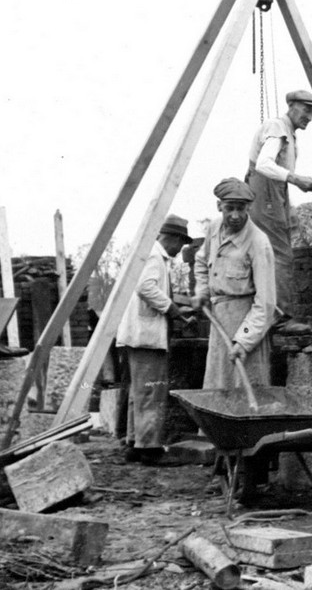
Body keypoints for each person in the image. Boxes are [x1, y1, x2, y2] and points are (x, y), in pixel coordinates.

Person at [115, 214, 194, 465]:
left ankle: (134, 443)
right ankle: (150, 449)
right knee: (152, 392)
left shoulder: (148, 254)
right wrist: (172, 309)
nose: (180, 250)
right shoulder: (154, 257)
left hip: (138, 334)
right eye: (181, 243)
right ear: (173, 238)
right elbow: (146, 288)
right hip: (145, 337)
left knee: (139, 393)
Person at [246, 89, 312, 335]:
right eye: (306, 109)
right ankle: (281, 319)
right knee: (280, 255)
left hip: (275, 190)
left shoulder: (288, 133)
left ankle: (268, 313)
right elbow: (264, 164)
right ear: (291, 106)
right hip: (265, 189)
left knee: (272, 252)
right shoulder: (277, 127)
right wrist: (296, 179)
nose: (309, 117)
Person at [192, 177, 277, 388]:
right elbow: (201, 261)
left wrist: (244, 341)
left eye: (241, 208)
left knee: (244, 386)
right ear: (219, 206)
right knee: (218, 386)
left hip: (247, 323)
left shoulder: (258, 242)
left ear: (249, 207)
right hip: (219, 321)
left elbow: (266, 303)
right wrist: (202, 291)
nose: (236, 215)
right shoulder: (214, 229)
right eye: (229, 208)